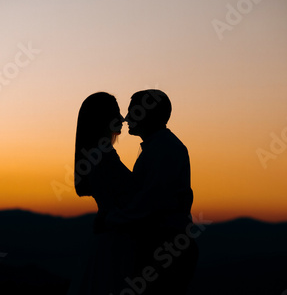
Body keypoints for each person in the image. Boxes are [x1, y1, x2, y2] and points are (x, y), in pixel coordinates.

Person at [106, 89, 198, 295]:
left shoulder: (164, 150)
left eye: (133, 112)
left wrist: (113, 219)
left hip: (165, 248)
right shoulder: (159, 147)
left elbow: (152, 200)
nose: (127, 118)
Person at [68, 92, 136, 295]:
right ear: (102, 120)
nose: (123, 119)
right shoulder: (102, 156)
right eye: (115, 113)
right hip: (113, 243)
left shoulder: (101, 154)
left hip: (111, 239)